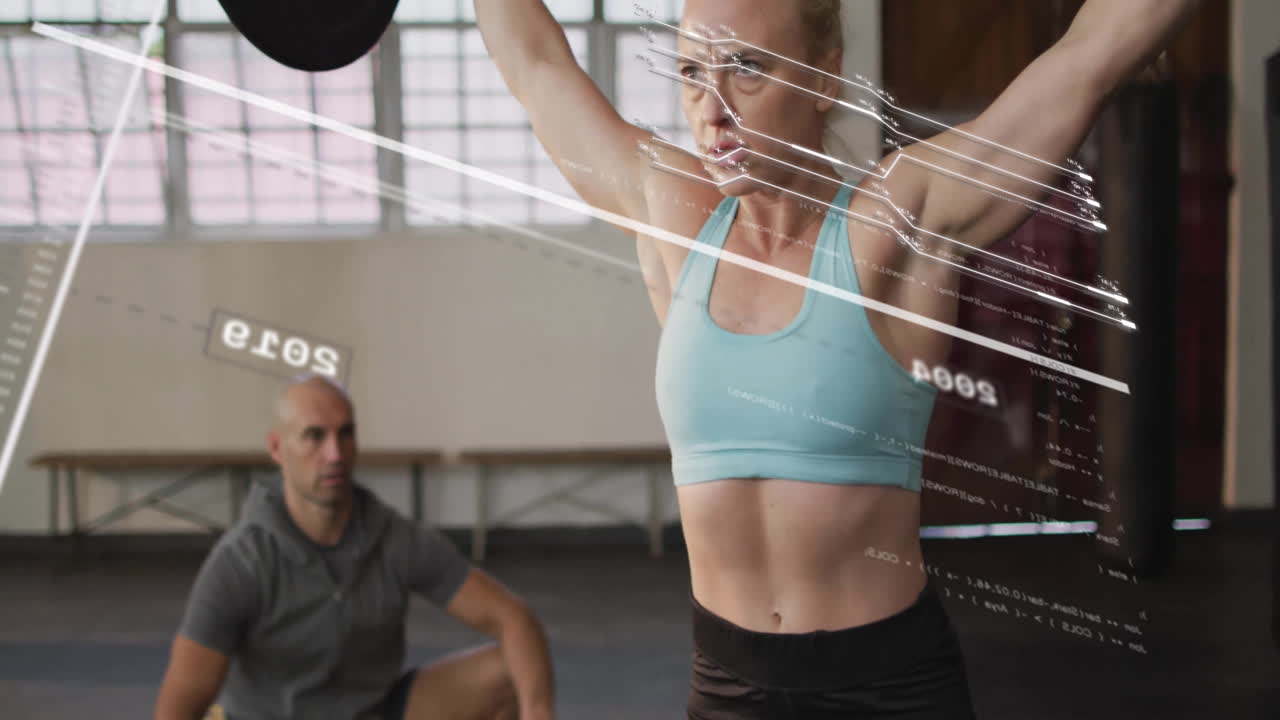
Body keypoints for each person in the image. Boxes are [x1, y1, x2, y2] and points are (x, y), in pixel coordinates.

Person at [475, 0, 1201, 717]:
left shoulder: (898, 220)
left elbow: (1088, 58)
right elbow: (537, 66)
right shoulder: (674, 213)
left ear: (824, 78)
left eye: (747, 68)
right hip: (726, 690)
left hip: (887, 691)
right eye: (692, 72)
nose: (712, 109)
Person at [154, 375, 555, 720]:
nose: (335, 454)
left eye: (345, 434)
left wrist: (538, 713)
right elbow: (183, 698)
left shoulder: (395, 538)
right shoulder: (242, 562)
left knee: (510, 673)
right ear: (277, 449)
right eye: (314, 436)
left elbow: (514, 619)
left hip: (370, 713)